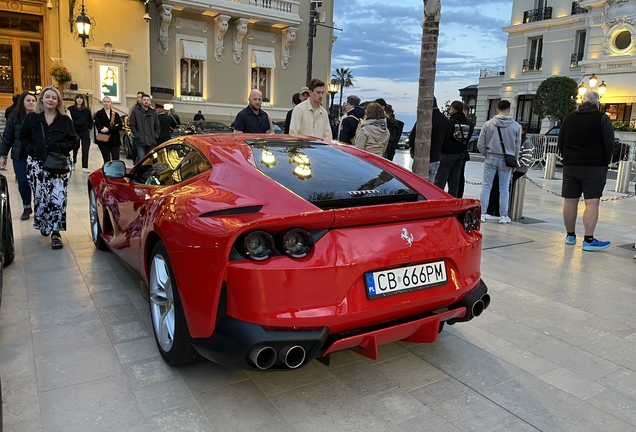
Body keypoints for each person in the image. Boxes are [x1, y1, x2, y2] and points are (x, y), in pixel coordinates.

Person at [19, 86, 78, 250]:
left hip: (57, 164)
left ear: (58, 101)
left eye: (54, 97)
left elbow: (74, 141)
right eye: (48, 97)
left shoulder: (65, 120)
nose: (51, 100)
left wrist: (58, 148)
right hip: (36, 164)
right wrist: (34, 149)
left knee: (58, 198)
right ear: (42, 99)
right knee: (40, 197)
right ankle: (44, 223)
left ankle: (56, 232)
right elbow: (23, 137)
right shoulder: (32, 118)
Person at [558, 90, 614, 251]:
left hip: (571, 165)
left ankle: (570, 236)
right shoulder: (602, 118)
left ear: (582, 102)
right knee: (592, 202)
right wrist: (605, 162)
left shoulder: (569, 118)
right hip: (594, 166)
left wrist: (566, 156)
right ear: (597, 104)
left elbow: (561, 140)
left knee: (570, 200)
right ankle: (588, 240)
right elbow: (609, 143)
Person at [477, 99, 521, 224]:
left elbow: (480, 144)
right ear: (509, 109)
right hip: (507, 159)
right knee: (504, 188)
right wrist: (515, 161)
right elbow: (517, 146)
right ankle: (503, 215)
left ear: (497, 109)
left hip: (491, 156)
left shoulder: (488, 124)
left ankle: (483, 213)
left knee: (486, 186)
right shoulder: (516, 126)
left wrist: (487, 154)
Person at [485, 122, 534, 217]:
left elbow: (525, 160)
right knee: (495, 185)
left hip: (519, 169)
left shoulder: (527, 143)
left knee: (501, 186)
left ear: (523, 131)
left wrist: (514, 166)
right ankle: (491, 210)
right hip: (509, 167)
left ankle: (498, 211)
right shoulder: (512, 140)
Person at [0, 92, 36, 220]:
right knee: (23, 180)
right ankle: (26, 206)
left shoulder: (40, 117)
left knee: (37, 182)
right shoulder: (14, 117)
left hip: (36, 156)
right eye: (28, 100)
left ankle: (38, 207)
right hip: (20, 155)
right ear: (22, 102)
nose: (31, 102)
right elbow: (7, 137)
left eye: (33, 100)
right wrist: (3, 155)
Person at [435, 100, 473, 197]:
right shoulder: (469, 124)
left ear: (453, 110)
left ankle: (438, 199)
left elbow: (445, 137)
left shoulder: (450, 122)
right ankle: (453, 199)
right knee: (454, 181)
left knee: (441, 179)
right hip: (461, 154)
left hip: (447, 153)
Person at [409, 97, 448, 183]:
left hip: (422, 158)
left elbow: (412, 137)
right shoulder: (445, 120)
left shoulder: (424, 118)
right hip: (436, 157)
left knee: (417, 185)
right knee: (431, 183)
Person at [129, 94, 160, 162]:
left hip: (151, 140)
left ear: (149, 102)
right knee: (141, 158)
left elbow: (157, 126)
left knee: (149, 159)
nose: (146, 101)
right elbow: (132, 125)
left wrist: (155, 136)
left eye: (147, 100)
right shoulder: (135, 112)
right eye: (144, 100)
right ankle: (138, 170)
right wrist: (137, 135)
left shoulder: (153, 113)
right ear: (141, 101)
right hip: (140, 140)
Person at [67, 94, 93, 172]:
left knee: (85, 149)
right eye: (77, 98)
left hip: (85, 131)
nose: (79, 100)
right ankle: (74, 162)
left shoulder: (87, 110)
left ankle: (85, 166)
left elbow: (90, 120)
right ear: (75, 100)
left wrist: (89, 128)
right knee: (75, 148)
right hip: (75, 131)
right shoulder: (71, 109)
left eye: (81, 98)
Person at [93, 96, 123, 164]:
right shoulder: (99, 114)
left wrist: (108, 129)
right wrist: (113, 128)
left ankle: (115, 173)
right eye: (105, 102)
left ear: (111, 103)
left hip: (114, 141)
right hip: (103, 141)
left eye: (108, 102)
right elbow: (99, 127)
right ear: (103, 103)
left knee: (116, 160)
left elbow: (119, 126)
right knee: (107, 160)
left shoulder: (115, 115)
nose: (106, 103)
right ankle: (107, 173)